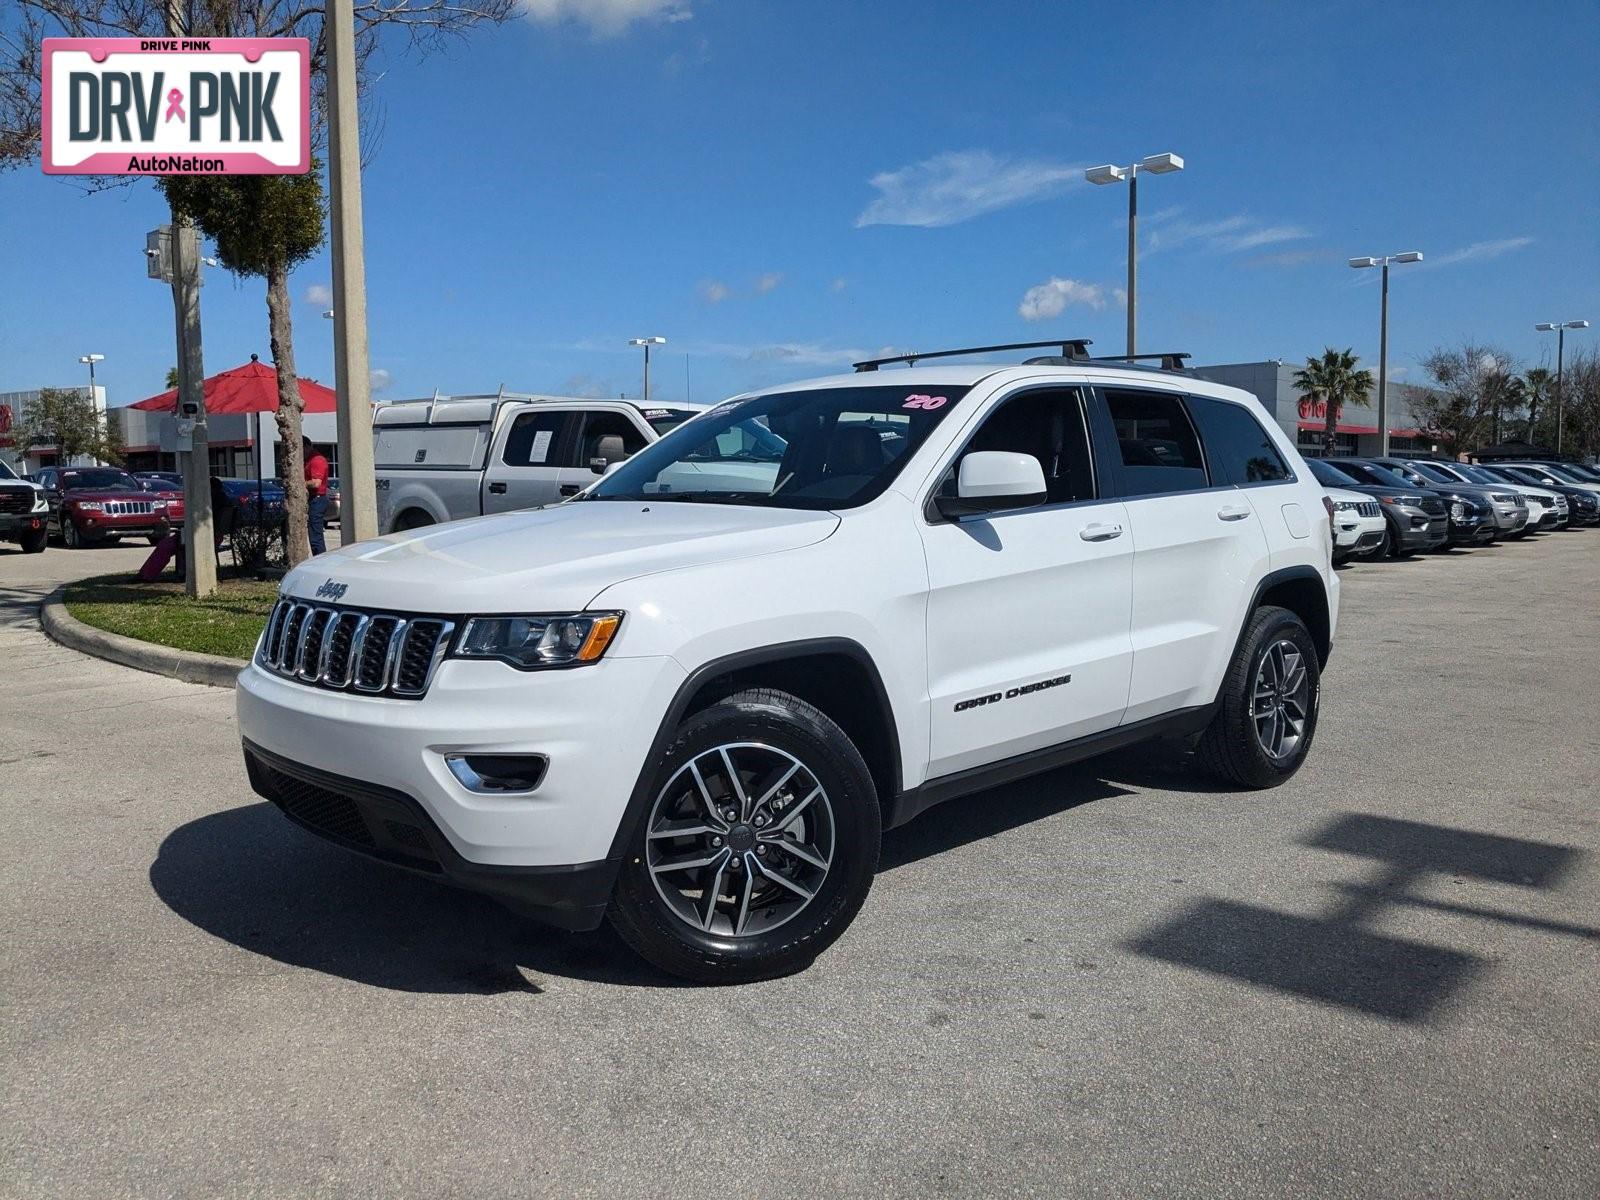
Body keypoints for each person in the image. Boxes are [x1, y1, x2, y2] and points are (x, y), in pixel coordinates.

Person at [303, 436, 330, 555]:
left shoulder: (317, 460)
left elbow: (316, 483)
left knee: (315, 536)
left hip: (317, 500)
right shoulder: (307, 460)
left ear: (307, 447)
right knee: (313, 534)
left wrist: (300, 484)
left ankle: (320, 560)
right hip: (312, 500)